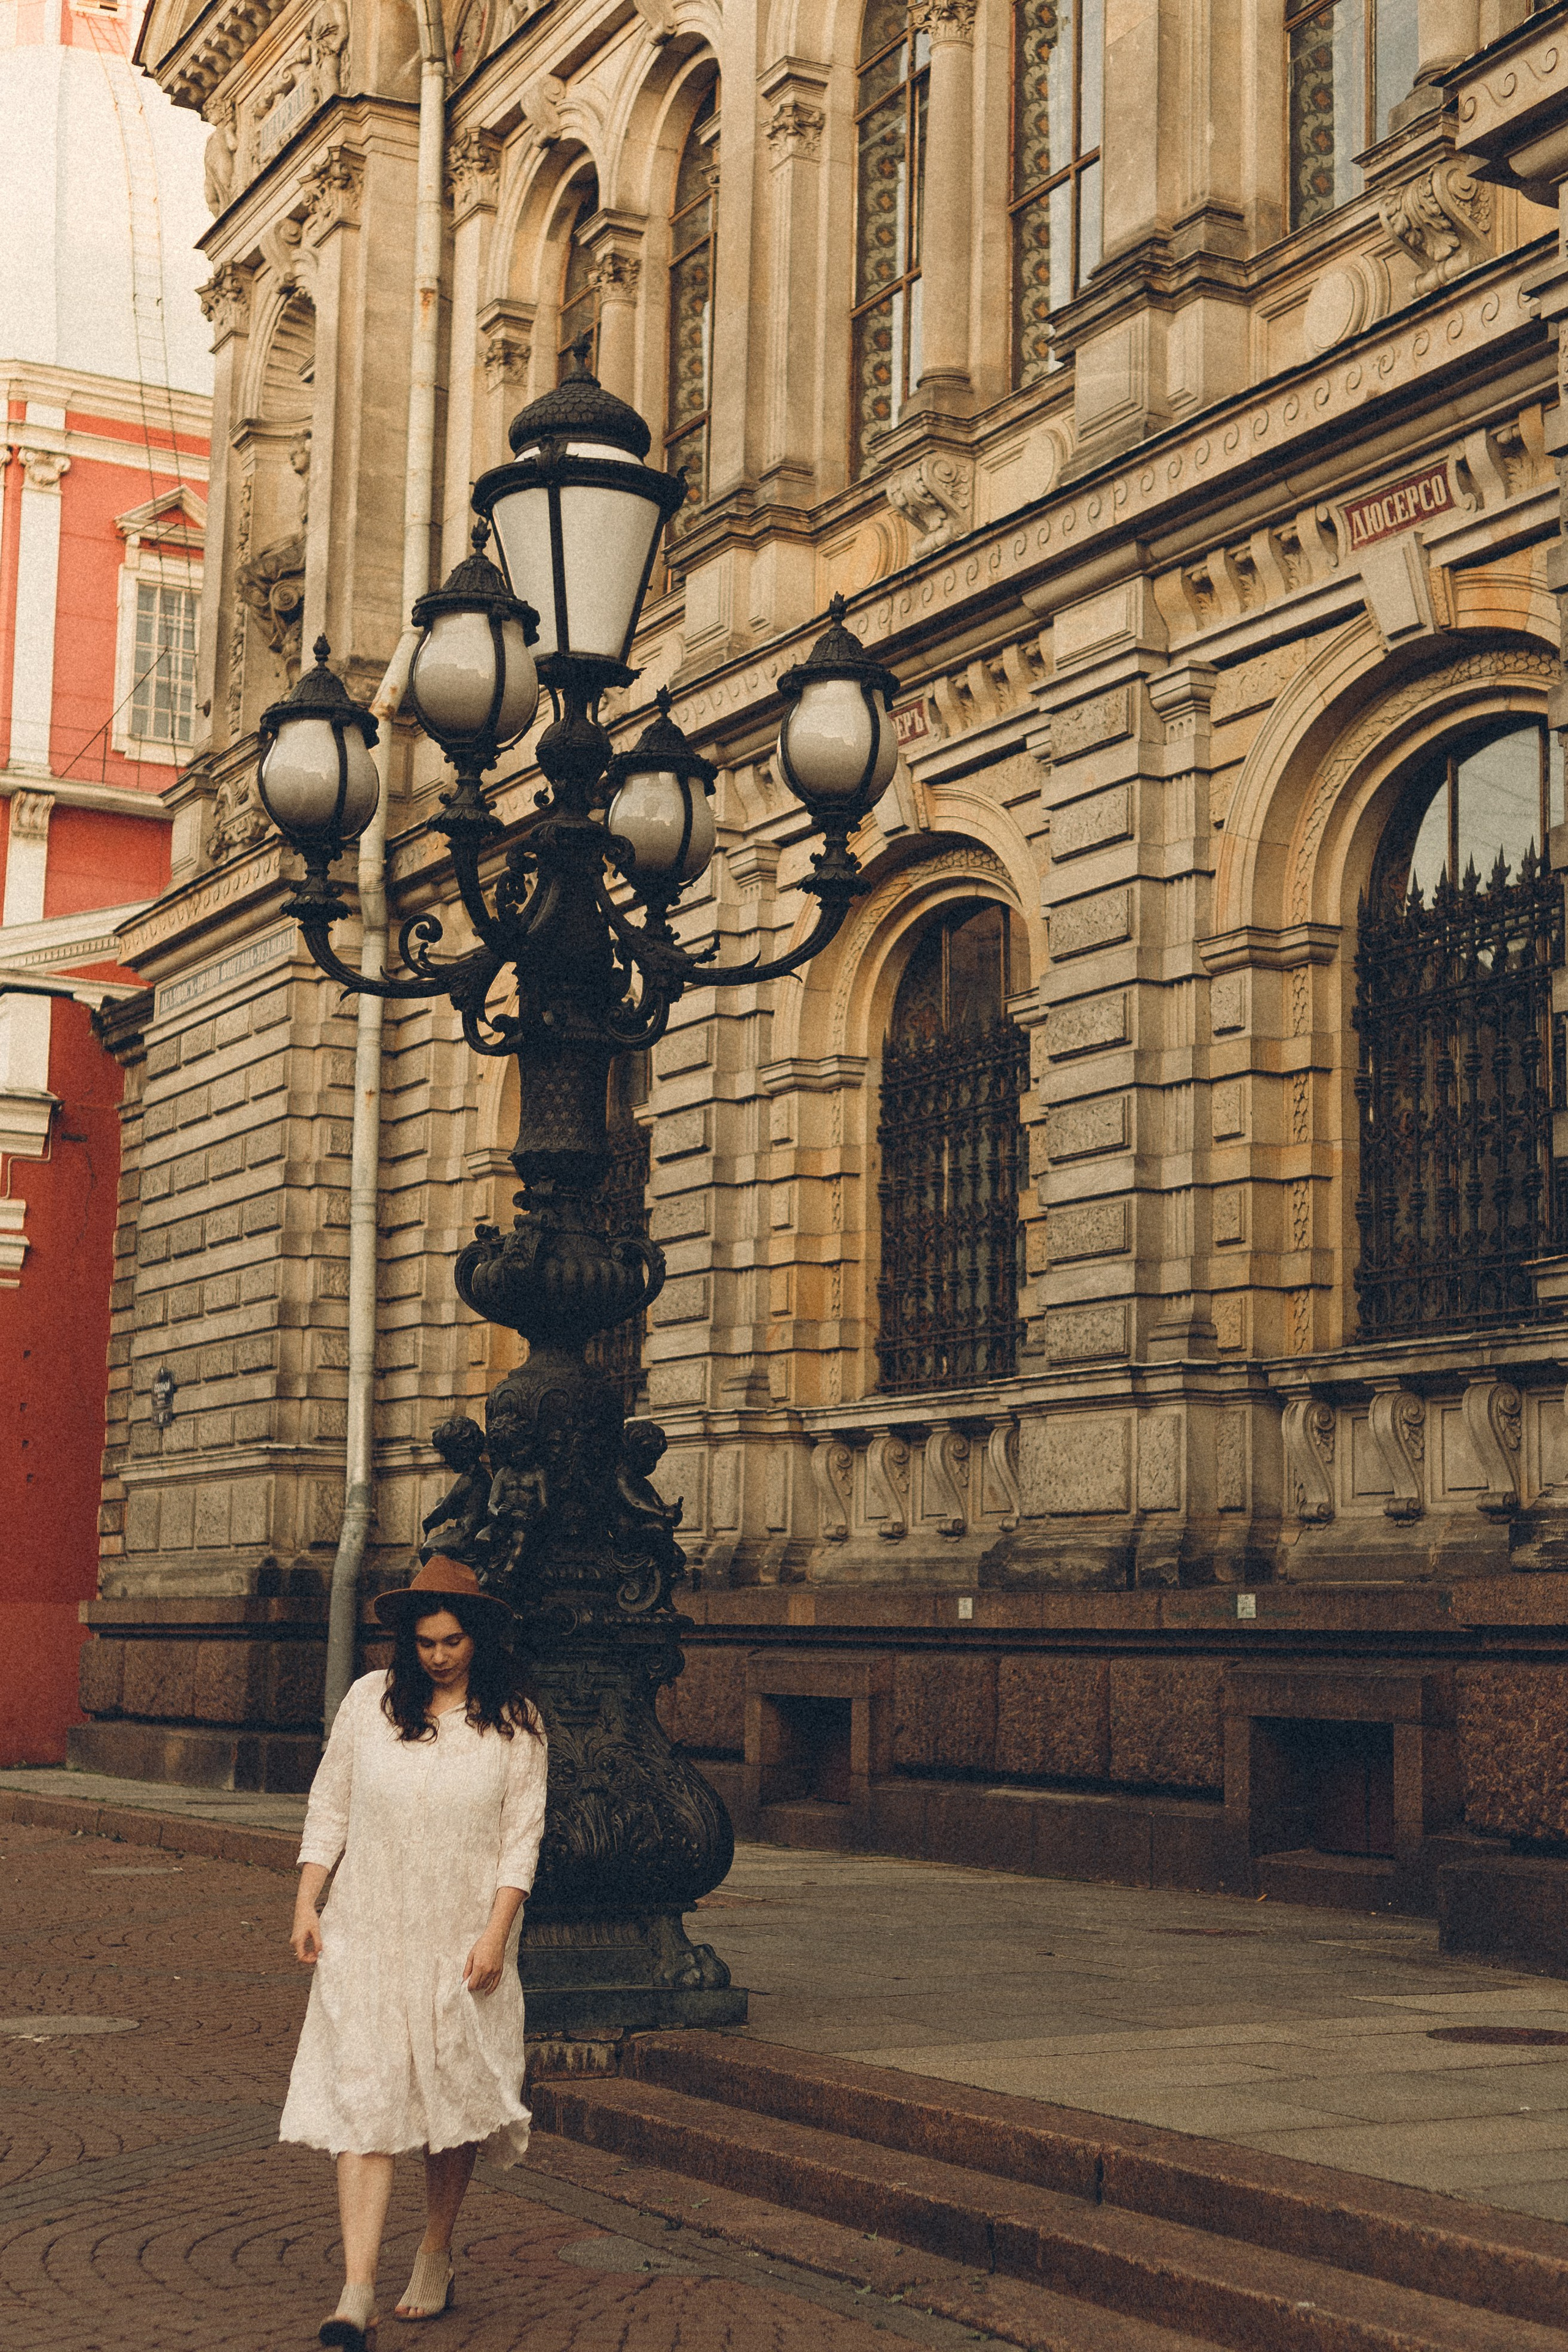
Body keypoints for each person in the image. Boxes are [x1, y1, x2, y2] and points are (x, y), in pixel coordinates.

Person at [280, 1555, 548, 2348]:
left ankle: (435, 2248)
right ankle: (355, 2290)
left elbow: (519, 1839)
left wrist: (496, 1932)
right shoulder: (369, 1703)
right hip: (366, 1930)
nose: (438, 1655)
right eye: (425, 1641)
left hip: (461, 1941)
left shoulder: (517, 1723)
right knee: (365, 2098)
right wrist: (306, 1898)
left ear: (481, 1639)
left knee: (450, 2100)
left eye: (453, 1640)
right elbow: (331, 1805)